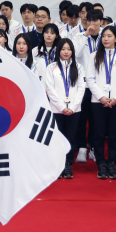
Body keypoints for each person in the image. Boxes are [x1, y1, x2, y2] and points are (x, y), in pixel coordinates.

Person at [86, 26, 116, 180]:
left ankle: (112, 163)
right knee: (98, 133)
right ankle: (100, 164)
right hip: (98, 101)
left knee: (114, 133)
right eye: (103, 36)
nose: (106, 39)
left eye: (109, 36)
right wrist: (101, 97)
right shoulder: (93, 56)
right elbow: (90, 80)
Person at [44, 39, 86, 178]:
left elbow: (81, 89)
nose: (66, 52)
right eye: (63, 49)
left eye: (68, 49)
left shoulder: (79, 67)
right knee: (57, 138)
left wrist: (72, 107)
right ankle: (57, 165)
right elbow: (50, 89)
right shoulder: (51, 68)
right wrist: (62, 107)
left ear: (72, 51)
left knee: (71, 137)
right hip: (56, 109)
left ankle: (68, 164)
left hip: (74, 109)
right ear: (58, 51)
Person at [73, 9, 103, 163]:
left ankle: (93, 147)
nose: (92, 24)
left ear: (101, 22)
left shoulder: (106, 36)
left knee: (96, 119)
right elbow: (75, 54)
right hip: (83, 84)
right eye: (89, 21)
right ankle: (82, 149)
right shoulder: (79, 36)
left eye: (95, 21)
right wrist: (85, 35)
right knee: (81, 118)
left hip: (100, 85)